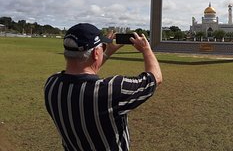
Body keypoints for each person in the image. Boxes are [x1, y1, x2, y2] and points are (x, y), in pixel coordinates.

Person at [44, 23, 162, 151]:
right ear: (95, 53)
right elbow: (155, 78)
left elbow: (84, 71)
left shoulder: (51, 84)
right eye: (102, 47)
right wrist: (146, 49)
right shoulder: (112, 90)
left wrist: (106, 53)